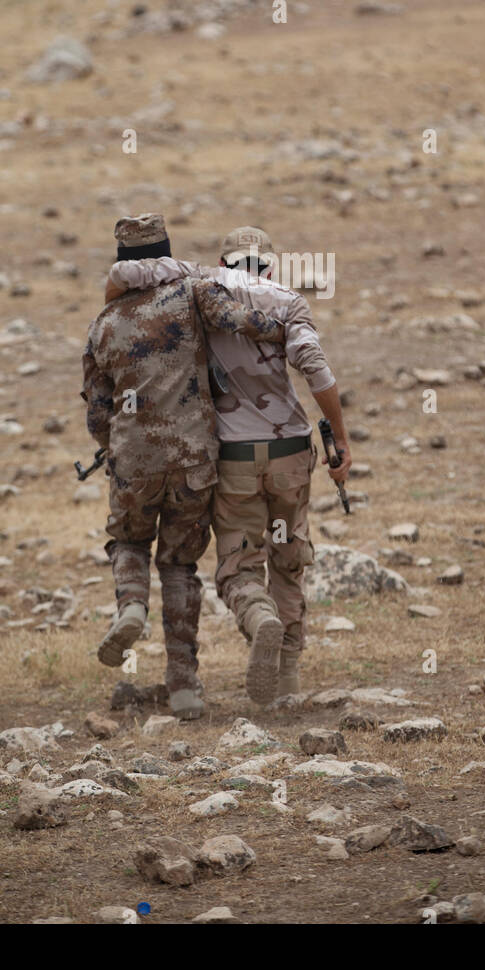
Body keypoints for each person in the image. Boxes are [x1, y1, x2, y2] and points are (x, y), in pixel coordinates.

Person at [105, 225, 351, 705]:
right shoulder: (287, 300)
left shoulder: (200, 287)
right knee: (290, 558)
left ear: (224, 264)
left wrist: (115, 286)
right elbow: (314, 365)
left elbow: (126, 272)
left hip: (234, 458)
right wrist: (339, 436)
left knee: (239, 567)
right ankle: (287, 683)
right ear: (271, 266)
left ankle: (259, 618)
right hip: (292, 454)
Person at [81, 214, 288, 721]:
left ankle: (131, 606)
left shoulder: (103, 327)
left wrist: (115, 448)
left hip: (133, 461)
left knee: (129, 542)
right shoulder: (193, 292)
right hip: (195, 460)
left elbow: (96, 413)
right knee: (178, 566)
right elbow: (241, 320)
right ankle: (184, 686)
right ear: (167, 250)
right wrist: (287, 325)